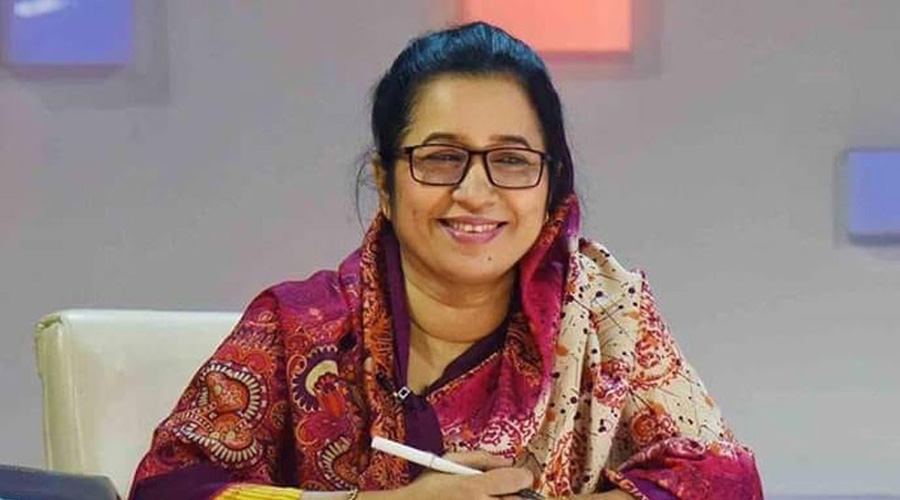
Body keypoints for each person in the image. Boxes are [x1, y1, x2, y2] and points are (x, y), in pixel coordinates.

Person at [129, 22, 763, 500]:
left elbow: (724, 478)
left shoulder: (605, 313)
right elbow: (168, 488)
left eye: (511, 159)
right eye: (440, 158)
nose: (475, 192)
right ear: (385, 182)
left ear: (550, 185)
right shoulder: (296, 327)